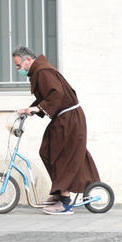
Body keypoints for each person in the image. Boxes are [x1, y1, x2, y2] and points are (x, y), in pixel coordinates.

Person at [12, 46, 100, 215]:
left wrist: (38, 109)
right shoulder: (40, 71)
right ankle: (60, 191)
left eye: (18, 65)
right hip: (64, 118)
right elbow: (46, 97)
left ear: (28, 60)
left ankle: (65, 201)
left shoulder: (43, 72)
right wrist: (30, 109)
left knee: (62, 155)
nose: (18, 69)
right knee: (47, 150)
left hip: (69, 118)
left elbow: (56, 94)